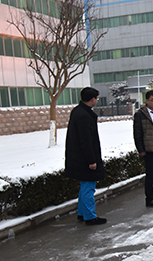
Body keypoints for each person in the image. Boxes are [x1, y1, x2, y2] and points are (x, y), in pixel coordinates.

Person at [64, 87, 107, 225]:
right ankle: (90, 216)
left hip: (78, 157)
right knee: (88, 187)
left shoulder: (78, 111)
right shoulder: (84, 115)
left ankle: (82, 213)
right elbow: (86, 140)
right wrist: (92, 160)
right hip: (84, 159)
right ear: (93, 99)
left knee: (84, 186)